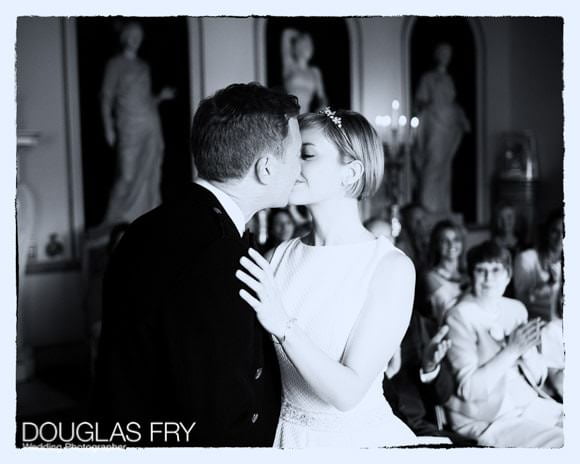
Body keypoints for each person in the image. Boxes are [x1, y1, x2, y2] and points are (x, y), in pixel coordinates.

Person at [93, 83, 302, 447]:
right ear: (265, 168)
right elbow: (217, 410)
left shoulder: (145, 226)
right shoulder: (219, 255)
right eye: (297, 155)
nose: (299, 169)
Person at [234, 108, 428, 448]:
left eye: (306, 154)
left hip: (355, 443)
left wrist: (283, 324)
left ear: (350, 172)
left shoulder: (390, 267)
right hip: (282, 437)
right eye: (290, 153)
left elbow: (347, 392)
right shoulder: (277, 257)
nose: (291, 165)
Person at [444, 241, 563, 447]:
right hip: (488, 417)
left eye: (496, 270)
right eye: (481, 270)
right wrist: (511, 350)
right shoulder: (459, 315)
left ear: (508, 276)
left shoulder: (516, 309)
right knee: (563, 442)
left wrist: (526, 353)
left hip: (527, 404)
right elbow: (469, 390)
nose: (489, 278)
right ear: (471, 276)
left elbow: (538, 378)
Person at [99, 21, 175, 227]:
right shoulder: (114, 64)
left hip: (150, 122)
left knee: (150, 169)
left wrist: (160, 97)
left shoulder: (143, 66)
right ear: (124, 37)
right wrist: (108, 127)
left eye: (138, 35)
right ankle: (113, 220)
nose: (135, 38)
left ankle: (146, 215)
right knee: (127, 173)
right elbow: (106, 96)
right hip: (128, 124)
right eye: (132, 34)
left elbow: (144, 99)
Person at [413, 42, 470, 214]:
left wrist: (460, 117)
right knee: (432, 163)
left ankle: (442, 206)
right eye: (443, 53)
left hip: (448, 126)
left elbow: (451, 102)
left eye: (448, 54)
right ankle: (427, 205)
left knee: (445, 167)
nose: (446, 57)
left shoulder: (448, 80)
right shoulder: (428, 78)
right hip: (433, 125)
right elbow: (420, 102)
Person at [513, 210, 563, 321]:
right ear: (546, 231)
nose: (560, 237)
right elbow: (521, 301)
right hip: (535, 323)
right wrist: (547, 285)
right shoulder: (527, 259)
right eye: (555, 231)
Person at [423, 220, 469, 325]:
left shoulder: (468, 274)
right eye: (445, 240)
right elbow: (449, 309)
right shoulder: (430, 277)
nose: (451, 244)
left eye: (456, 239)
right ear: (436, 244)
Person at [281, 28, 327, 113]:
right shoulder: (289, 65)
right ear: (296, 47)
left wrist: (322, 107)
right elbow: (286, 33)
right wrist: (300, 36)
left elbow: (322, 97)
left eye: (309, 45)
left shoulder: (315, 72)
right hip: (288, 114)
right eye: (304, 45)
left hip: (305, 116)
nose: (307, 48)